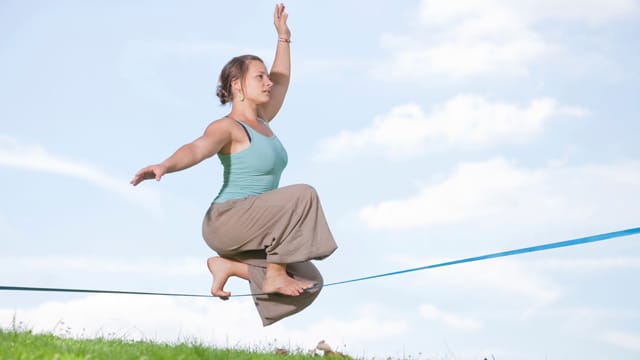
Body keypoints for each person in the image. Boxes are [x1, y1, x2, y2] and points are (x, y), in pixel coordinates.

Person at [130, 3, 337, 326]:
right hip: (227, 219)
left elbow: (282, 81)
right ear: (237, 85)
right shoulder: (227, 127)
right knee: (303, 195)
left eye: (267, 76)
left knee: (310, 281)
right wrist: (165, 165)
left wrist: (284, 39)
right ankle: (275, 273)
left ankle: (229, 267)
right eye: (260, 77)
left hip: (260, 226)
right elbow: (197, 148)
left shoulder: (265, 121)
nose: (268, 82)